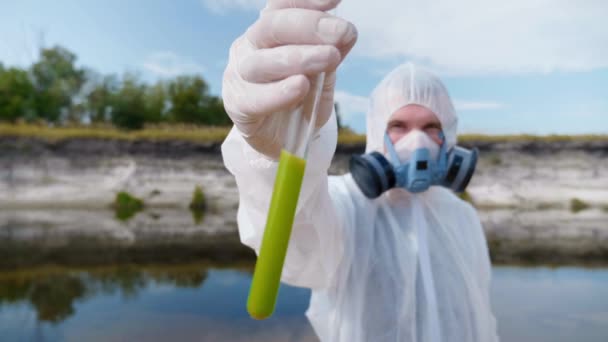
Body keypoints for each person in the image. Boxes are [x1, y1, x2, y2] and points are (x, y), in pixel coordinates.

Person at [220, 0, 499, 341]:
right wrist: (276, 157)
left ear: (449, 135)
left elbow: (481, 314)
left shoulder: (462, 217)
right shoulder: (346, 205)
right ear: (376, 130)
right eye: (398, 125)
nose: (417, 142)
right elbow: (301, 249)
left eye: (430, 126)